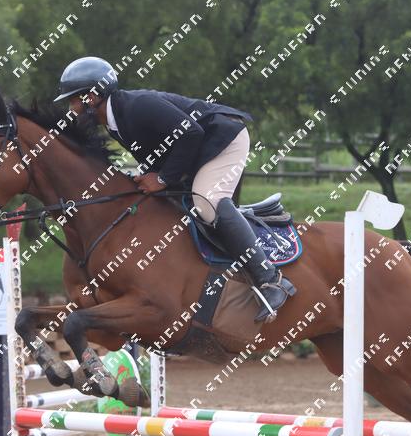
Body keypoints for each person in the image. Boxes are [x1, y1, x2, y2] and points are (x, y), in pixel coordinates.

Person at [54, 56, 295, 322]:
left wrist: (163, 178)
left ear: (92, 97)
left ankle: (271, 280)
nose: (72, 109)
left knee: (208, 202)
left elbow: (191, 133)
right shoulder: (114, 121)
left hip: (224, 138)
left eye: (74, 100)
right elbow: (162, 148)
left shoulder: (137, 106)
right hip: (197, 148)